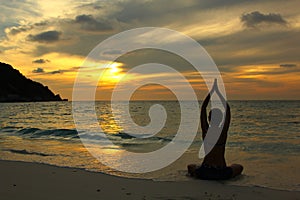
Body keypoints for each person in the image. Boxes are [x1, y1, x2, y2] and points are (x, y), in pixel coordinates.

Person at [188, 79, 243, 180]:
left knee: (191, 166)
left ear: (209, 118)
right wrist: (218, 93)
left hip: (205, 171)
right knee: (239, 167)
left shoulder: (206, 131)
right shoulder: (223, 132)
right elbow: (228, 109)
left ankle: (196, 175)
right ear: (221, 119)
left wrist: (212, 92)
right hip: (221, 172)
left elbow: (203, 108)